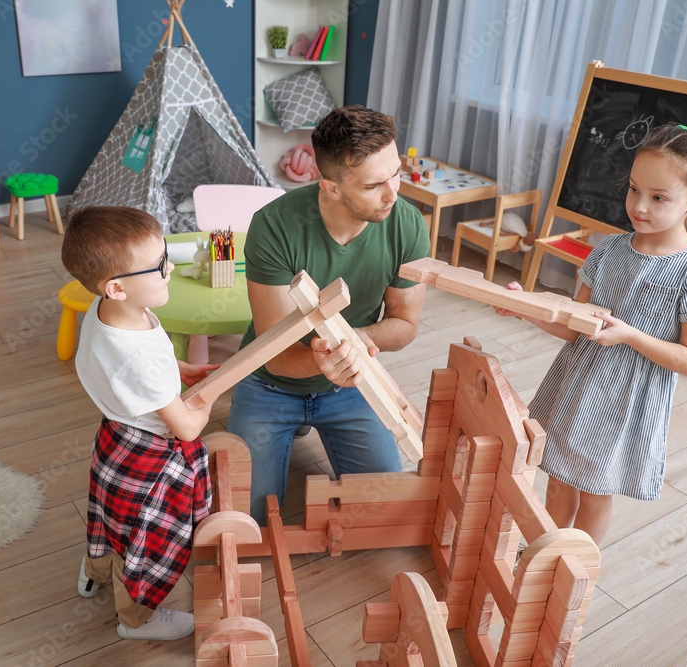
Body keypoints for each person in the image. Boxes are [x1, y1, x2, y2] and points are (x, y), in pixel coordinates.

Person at [496, 124, 687, 544]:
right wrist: (525, 308)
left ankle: (572, 573)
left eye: (658, 198)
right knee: (558, 479)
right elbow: (573, 327)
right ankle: (542, 555)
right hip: (575, 386)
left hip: (624, 404)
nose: (639, 205)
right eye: (634, 189)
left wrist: (629, 335)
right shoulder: (607, 250)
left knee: (594, 493)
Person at [228, 105, 431, 526]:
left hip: (353, 381)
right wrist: (324, 359)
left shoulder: (407, 224)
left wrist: (355, 341)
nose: (393, 193)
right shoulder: (273, 227)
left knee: (381, 511)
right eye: (375, 184)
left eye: (396, 173)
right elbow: (273, 352)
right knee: (249, 518)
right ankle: (292, 423)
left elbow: (405, 323)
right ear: (332, 188)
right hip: (270, 383)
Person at [60, 206, 222, 641]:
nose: (171, 268)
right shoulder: (137, 357)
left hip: (115, 438)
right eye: (159, 266)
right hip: (150, 458)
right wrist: (209, 395)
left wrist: (180, 369)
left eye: (166, 255)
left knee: (109, 519)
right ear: (116, 287)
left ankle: (94, 572)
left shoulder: (108, 310)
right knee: (148, 539)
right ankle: (136, 620)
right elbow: (188, 428)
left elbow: (150, 364)